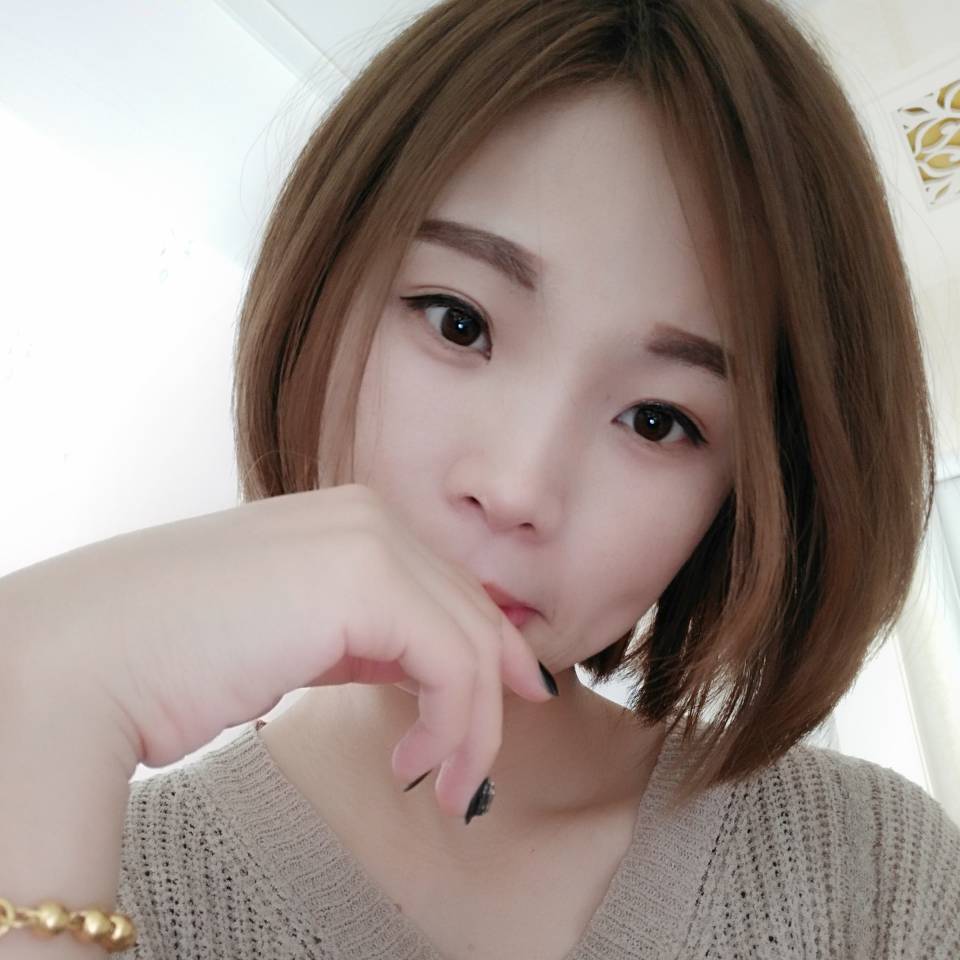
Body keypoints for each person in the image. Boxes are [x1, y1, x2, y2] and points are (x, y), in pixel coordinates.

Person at [2, 0, 958, 956]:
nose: (516, 488)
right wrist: (40, 687)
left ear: (744, 503)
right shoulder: (72, 868)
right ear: (321, 289)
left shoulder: (869, 870)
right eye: (458, 323)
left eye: (658, 421)